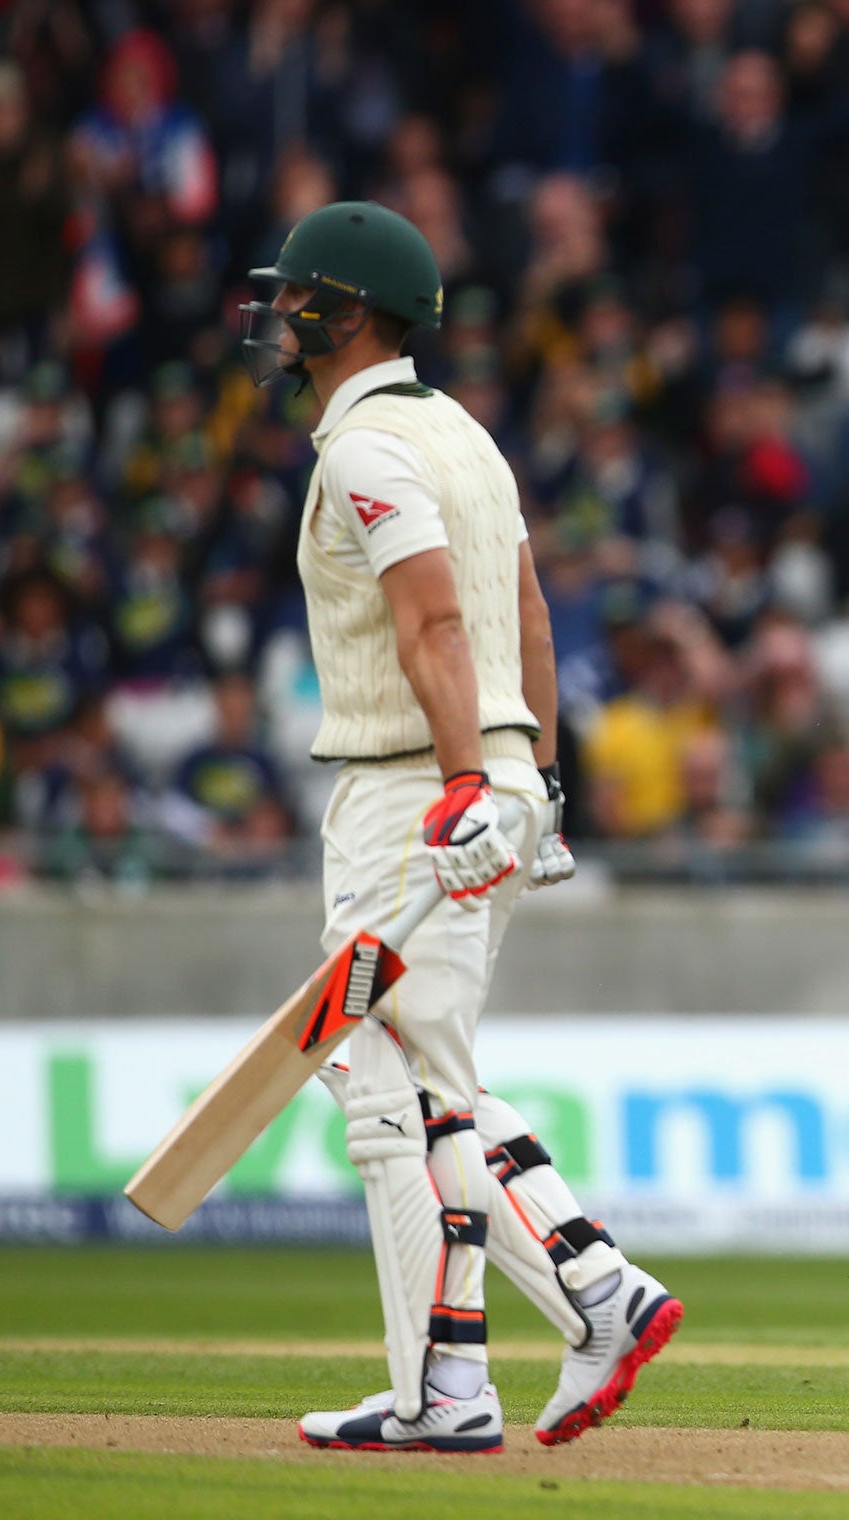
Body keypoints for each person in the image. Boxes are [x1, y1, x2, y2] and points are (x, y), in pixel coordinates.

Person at [237, 201, 681, 1453]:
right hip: (480, 772)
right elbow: (528, 617)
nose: (277, 318)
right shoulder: (466, 437)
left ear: (347, 311)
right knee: (397, 1072)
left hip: (409, 787)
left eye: (296, 296)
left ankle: (582, 1299)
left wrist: (463, 786)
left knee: (404, 1080)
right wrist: (531, 778)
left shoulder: (369, 453)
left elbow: (439, 626)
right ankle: (464, 1369)